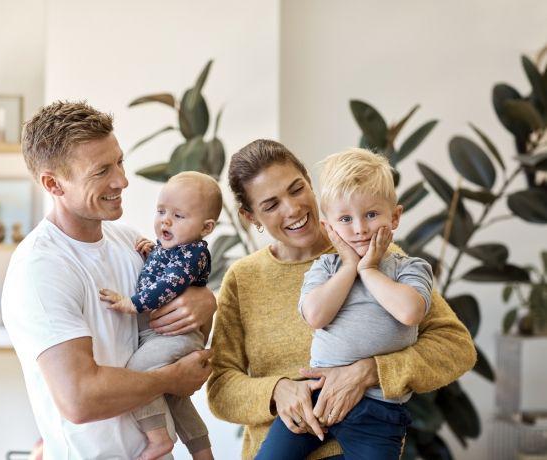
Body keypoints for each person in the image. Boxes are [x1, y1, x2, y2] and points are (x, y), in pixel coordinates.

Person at [206, 139, 477, 459]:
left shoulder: (379, 259)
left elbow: (456, 347)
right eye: (271, 204)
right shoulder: (243, 278)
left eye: (296, 189)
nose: (292, 209)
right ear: (250, 217)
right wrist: (277, 390)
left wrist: (371, 372)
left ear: (310, 182)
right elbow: (221, 386)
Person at [1, 101, 216, 459]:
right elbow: (79, 398)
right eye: (101, 170)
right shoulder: (40, 269)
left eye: (119, 162)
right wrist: (170, 380)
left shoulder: (133, 243)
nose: (122, 180)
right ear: (54, 183)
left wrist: (204, 304)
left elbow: (182, 348)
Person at [255, 148, 433, 459]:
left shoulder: (409, 268)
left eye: (372, 215)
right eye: (346, 219)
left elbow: (410, 312)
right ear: (330, 228)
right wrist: (350, 267)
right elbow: (314, 315)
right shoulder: (325, 268)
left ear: (395, 217)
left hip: (378, 410)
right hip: (315, 395)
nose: (360, 228)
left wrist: (369, 270)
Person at [100, 171, 222, 460]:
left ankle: (158, 439)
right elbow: (162, 267)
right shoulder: (170, 248)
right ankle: (202, 452)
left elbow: (170, 284)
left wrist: (133, 303)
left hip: (174, 337)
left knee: (136, 375)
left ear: (205, 227)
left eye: (179, 216)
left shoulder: (194, 254)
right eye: (161, 211)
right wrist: (151, 252)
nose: (165, 220)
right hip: (164, 337)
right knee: (176, 399)